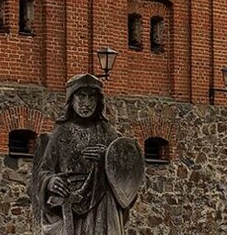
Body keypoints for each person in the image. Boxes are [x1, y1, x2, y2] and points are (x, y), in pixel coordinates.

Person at [28, 74, 142, 235]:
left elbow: (124, 172)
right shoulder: (61, 132)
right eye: (81, 96)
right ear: (71, 99)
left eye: (92, 97)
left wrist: (107, 158)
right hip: (71, 200)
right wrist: (50, 181)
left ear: (98, 101)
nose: (87, 103)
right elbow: (44, 170)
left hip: (102, 203)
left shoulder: (108, 132)